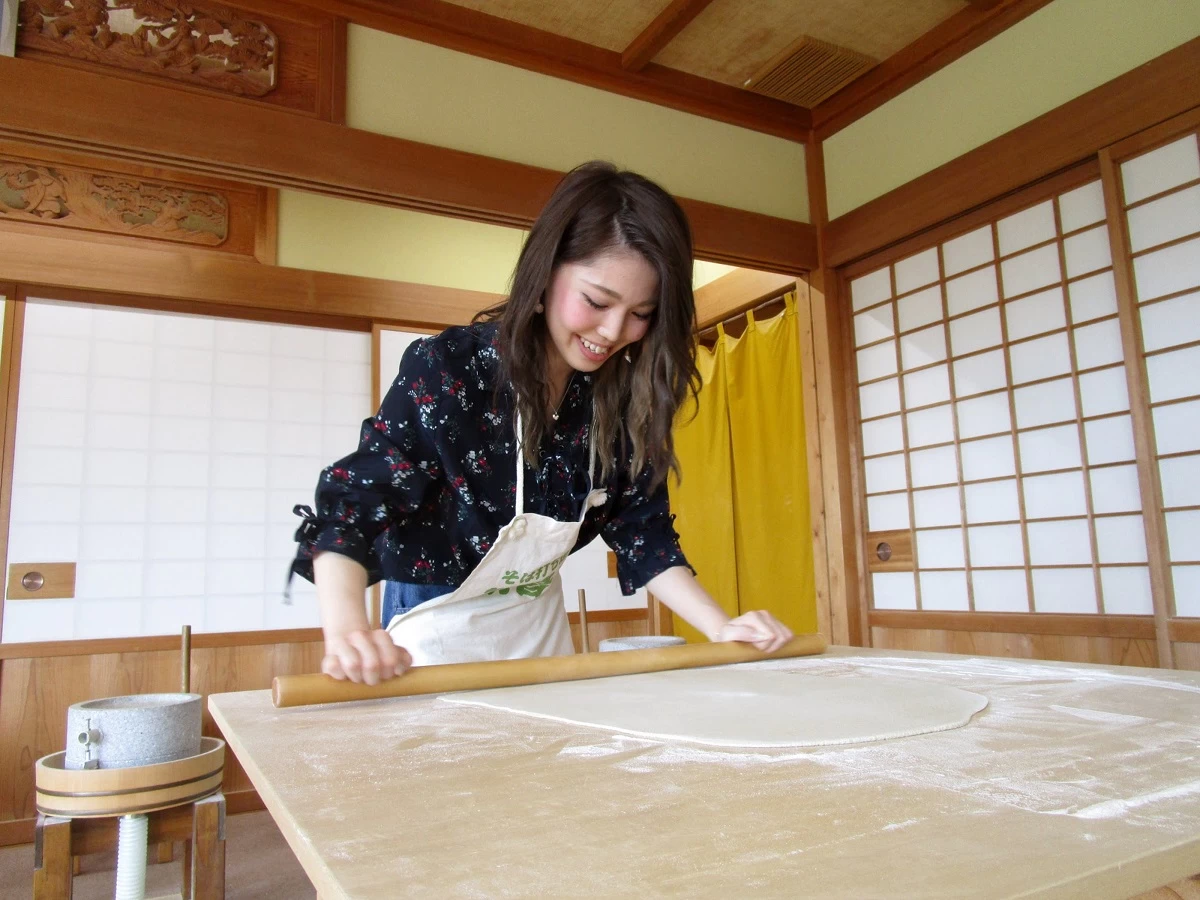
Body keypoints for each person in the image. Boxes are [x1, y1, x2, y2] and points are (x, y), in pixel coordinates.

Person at [291, 161, 794, 685]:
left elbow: (640, 530)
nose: (613, 332)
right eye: (597, 301)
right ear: (546, 271)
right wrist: (348, 628)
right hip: (433, 628)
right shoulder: (450, 371)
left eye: (642, 313)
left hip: (536, 628)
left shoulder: (616, 399)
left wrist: (723, 628)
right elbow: (354, 503)